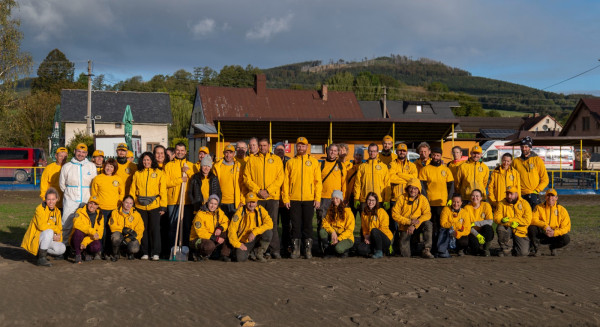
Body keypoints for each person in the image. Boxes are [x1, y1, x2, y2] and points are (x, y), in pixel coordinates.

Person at [243, 138, 284, 259]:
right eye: (260, 146)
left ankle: (274, 250)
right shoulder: (252, 160)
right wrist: (258, 191)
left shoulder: (276, 160)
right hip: (257, 197)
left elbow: (280, 178)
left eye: (264, 145)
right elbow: (246, 178)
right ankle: (258, 250)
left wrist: (268, 191)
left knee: (272, 224)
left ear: (269, 146)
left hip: (272, 197)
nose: (262, 148)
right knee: (257, 224)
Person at [283, 137, 322, 259]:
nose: (301, 148)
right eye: (299, 145)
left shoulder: (314, 162)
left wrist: (317, 198)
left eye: (303, 145)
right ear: (296, 147)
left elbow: (318, 182)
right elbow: (285, 182)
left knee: (308, 225)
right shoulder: (290, 163)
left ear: (307, 147)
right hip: (293, 199)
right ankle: (296, 249)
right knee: (295, 225)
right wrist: (286, 199)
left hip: (309, 198)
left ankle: (308, 249)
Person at [130, 152, 167, 261]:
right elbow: (132, 190)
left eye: (148, 160)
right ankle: (144, 252)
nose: (146, 162)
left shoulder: (159, 173)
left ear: (152, 161)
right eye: (144, 160)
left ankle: (155, 252)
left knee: (155, 229)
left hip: (154, 205)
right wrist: (132, 204)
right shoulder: (137, 173)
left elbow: (163, 191)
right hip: (140, 206)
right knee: (143, 229)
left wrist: (163, 206)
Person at [59, 143, 97, 244]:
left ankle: (82, 247)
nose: (81, 154)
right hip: (70, 199)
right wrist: (70, 194)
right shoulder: (67, 166)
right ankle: (64, 246)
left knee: (85, 224)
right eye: (79, 151)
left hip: (86, 199)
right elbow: (62, 185)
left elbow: (94, 184)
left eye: (83, 152)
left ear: (87, 153)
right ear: (75, 151)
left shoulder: (91, 166)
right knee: (67, 223)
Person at [418, 147, 454, 255]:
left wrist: (450, 199)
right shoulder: (425, 170)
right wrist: (425, 200)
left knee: (441, 226)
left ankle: (441, 247)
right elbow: (422, 187)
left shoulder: (446, 170)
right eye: (433, 155)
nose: (435, 157)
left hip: (442, 203)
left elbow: (451, 186)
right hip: (429, 203)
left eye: (438, 155)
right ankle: (431, 247)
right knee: (430, 226)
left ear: (440, 156)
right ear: (431, 155)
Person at [21, 188, 66, 266]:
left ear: (57, 199)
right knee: (49, 231)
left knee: (62, 248)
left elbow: (59, 228)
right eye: (48, 199)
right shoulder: (40, 209)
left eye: (53, 199)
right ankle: (41, 258)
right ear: (45, 199)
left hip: (49, 238)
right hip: (36, 238)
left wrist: (58, 237)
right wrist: (55, 232)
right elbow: (42, 226)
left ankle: (41, 252)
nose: (51, 202)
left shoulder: (57, 211)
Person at [164, 143, 195, 253]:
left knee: (186, 226)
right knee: (173, 226)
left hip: (186, 201)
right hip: (173, 200)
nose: (180, 152)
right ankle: (172, 249)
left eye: (182, 150)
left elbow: (195, 181)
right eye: (178, 150)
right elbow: (166, 183)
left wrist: (188, 171)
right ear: (174, 152)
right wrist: (180, 180)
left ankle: (185, 250)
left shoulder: (191, 165)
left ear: (185, 152)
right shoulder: (168, 166)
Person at [90, 158, 125, 257]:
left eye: (111, 166)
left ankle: (109, 252)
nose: (109, 168)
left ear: (114, 169)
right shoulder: (98, 178)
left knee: (111, 231)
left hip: (114, 210)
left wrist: (119, 204)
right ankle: (100, 250)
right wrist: (96, 205)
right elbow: (94, 194)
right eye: (107, 166)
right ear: (104, 166)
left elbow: (122, 193)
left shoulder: (118, 179)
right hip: (101, 209)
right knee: (102, 231)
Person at [392, 178, 433, 258]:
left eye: (415, 188)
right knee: (405, 255)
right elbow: (394, 214)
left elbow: (427, 214)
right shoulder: (401, 198)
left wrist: (414, 224)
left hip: (418, 225)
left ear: (419, 190)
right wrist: (409, 222)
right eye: (411, 188)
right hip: (405, 226)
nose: (413, 190)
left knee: (428, 224)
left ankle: (426, 250)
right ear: (407, 188)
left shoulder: (423, 199)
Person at [317, 144, 346, 254]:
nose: (333, 152)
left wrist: (344, 198)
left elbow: (344, 183)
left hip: (337, 200)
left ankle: (334, 245)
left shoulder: (341, 165)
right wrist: (317, 198)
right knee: (322, 223)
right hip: (324, 198)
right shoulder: (321, 165)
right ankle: (323, 247)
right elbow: (317, 182)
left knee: (336, 222)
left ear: (338, 152)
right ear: (327, 151)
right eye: (331, 150)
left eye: (335, 151)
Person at [228, 192, 273, 262]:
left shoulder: (261, 210)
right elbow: (232, 230)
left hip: (256, 238)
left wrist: (254, 232)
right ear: (246, 202)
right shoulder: (240, 212)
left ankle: (258, 253)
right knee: (240, 258)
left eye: (253, 202)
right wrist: (238, 244)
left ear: (256, 202)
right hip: (244, 241)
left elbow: (270, 224)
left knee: (268, 232)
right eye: (249, 202)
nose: (251, 204)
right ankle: (249, 253)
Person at [528, 189, 571, 256]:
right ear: (545, 197)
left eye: (552, 196)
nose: (550, 198)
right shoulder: (539, 207)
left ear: (556, 198)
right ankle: (536, 249)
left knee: (566, 238)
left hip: (554, 235)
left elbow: (567, 227)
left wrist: (554, 233)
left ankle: (553, 247)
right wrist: (545, 226)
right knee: (532, 228)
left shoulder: (562, 210)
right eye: (548, 196)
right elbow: (532, 219)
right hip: (542, 233)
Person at [189, 194, 231, 261]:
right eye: (211, 203)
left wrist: (220, 228)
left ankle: (223, 255)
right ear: (208, 202)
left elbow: (227, 222)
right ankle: (198, 254)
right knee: (209, 246)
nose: (212, 206)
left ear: (217, 205)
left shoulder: (218, 211)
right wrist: (215, 238)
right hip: (197, 238)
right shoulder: (200, 214)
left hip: (211, 236)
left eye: (215, 204)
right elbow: (200, 233)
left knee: (229, 232)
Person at [493, 186, 532, 257]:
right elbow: (496, 218)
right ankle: (505, 248)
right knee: (501, 228)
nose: (509, 196)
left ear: (516, 194)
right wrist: (508, 223)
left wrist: (516, 222)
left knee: (523, 253)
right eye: (507, 194)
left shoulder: (524, 203)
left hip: (520, 230)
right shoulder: (501, 203)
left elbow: (528, 220)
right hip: (507, 228)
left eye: (511, 194)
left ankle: (517, 248)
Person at [512, 136, 549, 210]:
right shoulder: (515, 162)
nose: (524, 149)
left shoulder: (537, 160)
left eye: (526, 147)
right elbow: (511, 178)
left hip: (533, 194)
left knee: (534, 217)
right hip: (520, 194)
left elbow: (545, 179)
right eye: (522, 146)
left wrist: (536, 190)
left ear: (530, 147)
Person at [389, 143, 417, 236]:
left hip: (407, 199)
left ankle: (406, 243)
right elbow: (391, 178)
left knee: (406, 223)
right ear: (396, 152)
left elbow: (414, 179)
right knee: (394, 225)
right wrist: (406, 180)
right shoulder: (392, 164)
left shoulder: (412, 166)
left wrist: (399, 174)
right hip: (395, 198)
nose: (402, 152)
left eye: (404, 151)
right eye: (400, 150)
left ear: (406, 152)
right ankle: (395, 245)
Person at [353, 143, 390, 212]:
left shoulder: (384, 167)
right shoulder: (362, 166)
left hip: (379, 200)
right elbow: (357, 184)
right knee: (365, 222)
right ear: (368, 152)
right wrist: (356, 198)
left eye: (374, 151)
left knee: (378, 221)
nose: (372, 153)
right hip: (365, 200)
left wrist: (387, 199)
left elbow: (387, 184)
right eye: (370, 151)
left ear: (377, 152)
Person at [319, 190, 355, 258]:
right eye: (333, 198)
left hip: (346, 237)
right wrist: (332, 232)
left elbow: (349, 230)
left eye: (337, 198)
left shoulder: (348, 212)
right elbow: (325, 222)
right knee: (322, 231)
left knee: (338, 249)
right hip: (335, 235)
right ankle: (327, 250)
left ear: (341, 199)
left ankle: (346, 250)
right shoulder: (331, 210)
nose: (335, 200)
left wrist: (338, 239)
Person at [356, 192, 393, 259]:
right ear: (366, 200)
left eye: (373, 200)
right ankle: (374, 250)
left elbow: (383, 228)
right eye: (369, 200)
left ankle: (380, 251)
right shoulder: (364, 213)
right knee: (360, 249)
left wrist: (370, 235)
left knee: (374, 230)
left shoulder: (381, 211)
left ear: (376, 201)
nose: (371, 202)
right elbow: (364, 228)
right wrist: (366, 236)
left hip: (384, 238)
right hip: (371, 238)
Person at [213, 144, 245, 219]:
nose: (228, 155)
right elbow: (213, 185)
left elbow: (242, 185)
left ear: (234, 154)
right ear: (223, 153)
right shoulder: (217, 167)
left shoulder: (238, 166)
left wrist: (242, 201)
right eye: (226, 152)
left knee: (234, 226)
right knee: (222, 225)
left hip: (235, 203)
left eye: (230, 153)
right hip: (221, 201)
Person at [108, 195, 144, 261]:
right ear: (123, 202)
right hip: (120, 234)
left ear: (133, 204)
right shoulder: (115, 212)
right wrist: (123, 229)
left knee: (135, 248)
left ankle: (130, 253)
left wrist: (132, 236)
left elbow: (140, 229)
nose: (128, 205)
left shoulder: (136, 214)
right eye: (126, 202)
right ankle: (115, 253)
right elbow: (112, 225)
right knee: (115, 237)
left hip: (130, 236)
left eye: (130, 203)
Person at [70, 196, 104, 264]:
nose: (92, 206)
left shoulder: (100, 215)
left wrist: (85, 242)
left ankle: (86, 253)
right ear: (87, 203)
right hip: (77, 239)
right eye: (91, 203)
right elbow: (76, 224)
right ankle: (78, 254)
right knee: (78, 231)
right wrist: (92, 231)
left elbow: (99, 234)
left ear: (97, 206)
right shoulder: (79, 211)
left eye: (95, 204)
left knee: (97, 246)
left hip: (88, 239)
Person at [463, 189, 494, 256]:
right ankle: (476, 248)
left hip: (483, 230)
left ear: (481, 198)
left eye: (477, 196)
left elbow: (490, 221)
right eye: (473, 196)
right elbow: (467, 226)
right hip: (472, 232)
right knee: (475, 250)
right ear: (470, 197)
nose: (475, 198)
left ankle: (486, 249)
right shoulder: (466, 208)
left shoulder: (486, 205)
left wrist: (476, 223)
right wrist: (477, 235)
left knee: (488, 228)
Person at [274, 142, 292, 256]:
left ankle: (286, 246)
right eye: (277, 150)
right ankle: (274, 248)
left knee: (287, 225)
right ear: (274, 151)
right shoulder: (271, 162)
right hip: (274, 199)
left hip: (286, 200)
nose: (280, 151)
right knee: (274, 225)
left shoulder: (289, 162)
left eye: (281, 150)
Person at [40, 147, 68, 212]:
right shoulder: (49, 168)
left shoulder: (70, 167)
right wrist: (45, 199)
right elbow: (44, 185)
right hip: (52, 203)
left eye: (65, 156)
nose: (63, 158)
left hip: (66, 202)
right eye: (61, 156)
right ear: (56, 156)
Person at [345, 147, 364, 217]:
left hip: (361, 196)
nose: (358, 157)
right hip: (351, 196)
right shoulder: (349, 166)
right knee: (351, 218)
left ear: (362, 157)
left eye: (360, 155)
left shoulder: (364, 167)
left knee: (363, 219)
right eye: (357, 155)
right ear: (354, 155)